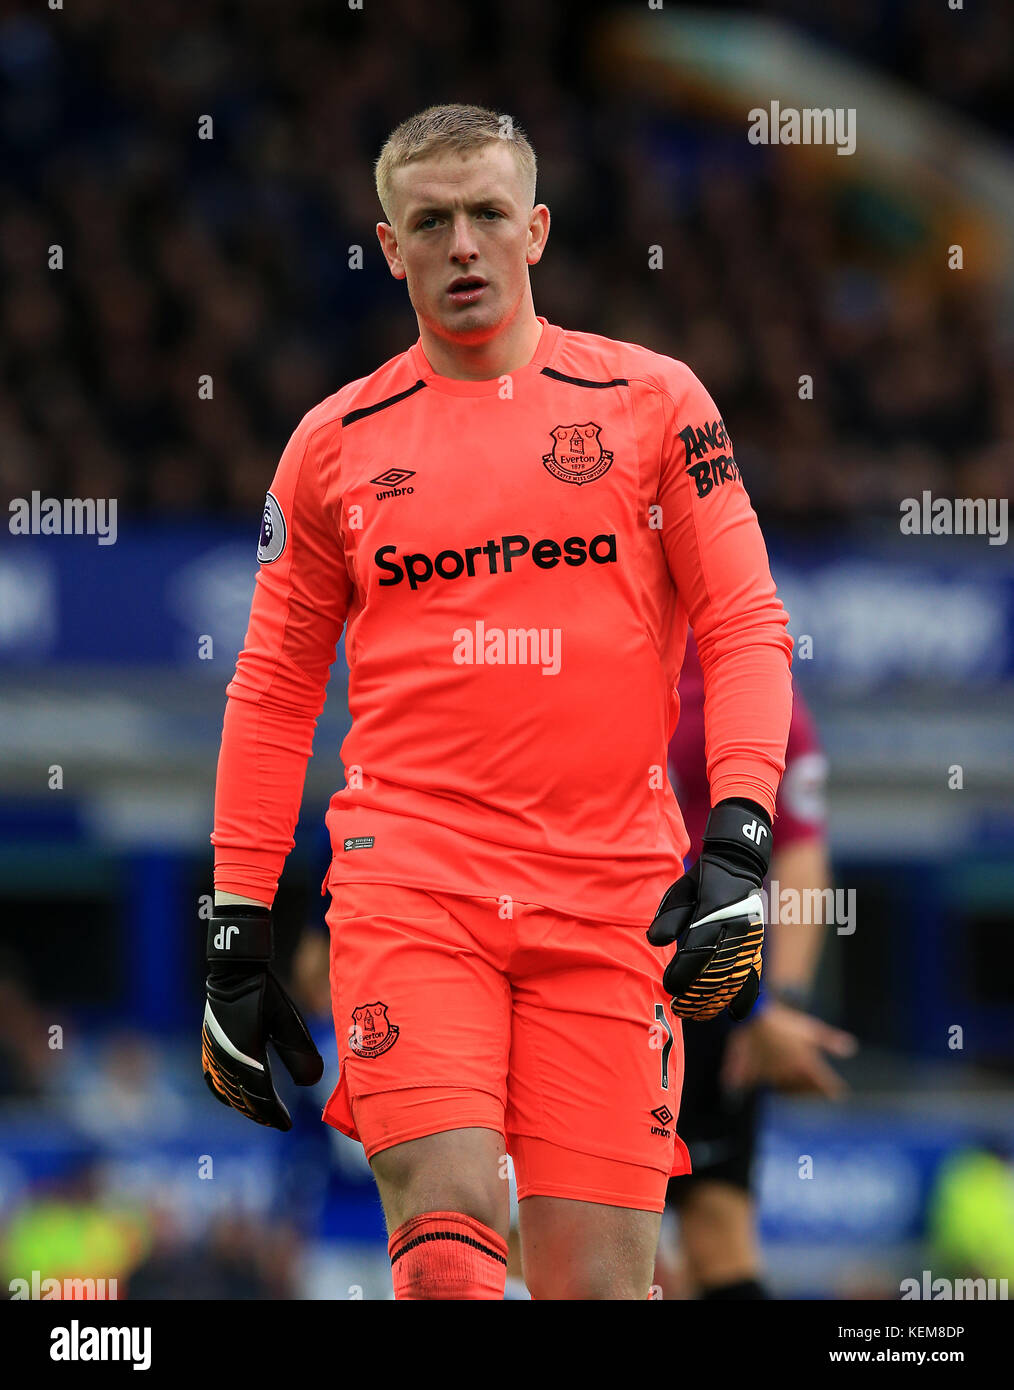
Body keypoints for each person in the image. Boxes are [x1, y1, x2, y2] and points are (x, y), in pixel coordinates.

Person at [203, 103, 793, 1300]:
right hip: (411, 878)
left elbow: (745, 626)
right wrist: (236, 922)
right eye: (432, 222)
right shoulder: (330, 446)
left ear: (536, 230)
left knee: (596, 1283)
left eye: (485, 216)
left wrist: (739, 838)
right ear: (390, 245)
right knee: (450, 1227)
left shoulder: (656, 404)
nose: (461, 244)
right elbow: (270, 690)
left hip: (614, 895)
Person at [656, 633, 857, 1299]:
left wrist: (780, 1006)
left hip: (709, 1001)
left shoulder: (753, 681)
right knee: (560, 1231)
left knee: (716, 1228)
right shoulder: (587, 646)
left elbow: (800, 849)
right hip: (585, 975)